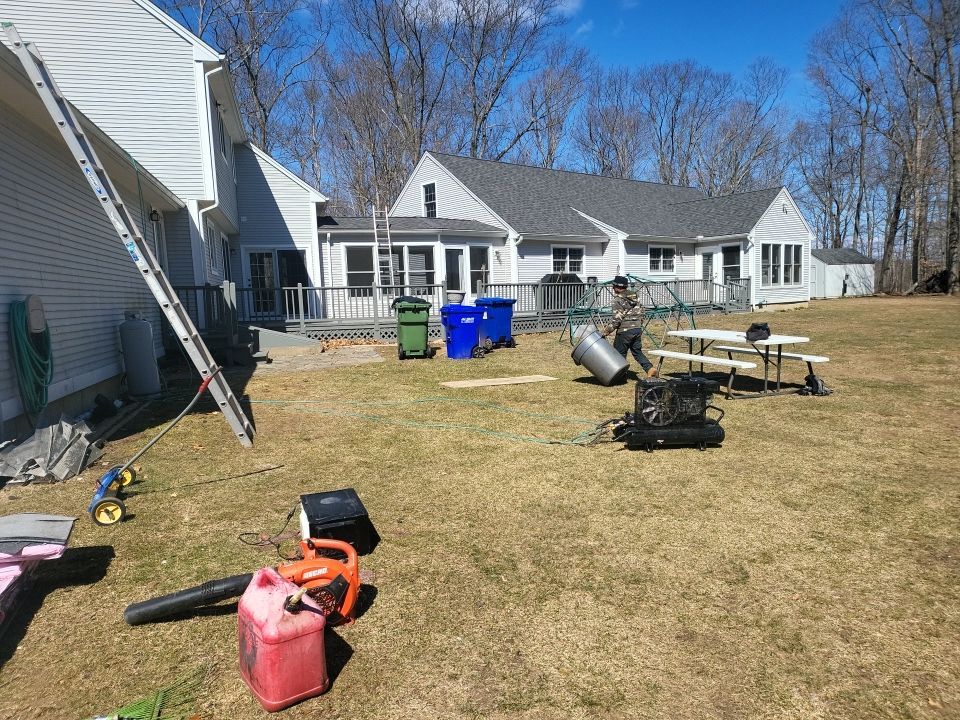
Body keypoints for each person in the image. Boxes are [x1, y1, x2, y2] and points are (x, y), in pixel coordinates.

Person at [601, 276, 658, 378]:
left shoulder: (618, 300)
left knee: (618, 354)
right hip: (637, 329)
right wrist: (638, 324)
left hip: (625, 331)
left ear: (618, 287)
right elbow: (642, 312)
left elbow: (616, 321)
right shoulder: (635, 296)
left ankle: (620, 376)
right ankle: (650, 368)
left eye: (614, 286)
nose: (613, 288)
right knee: (637, 352)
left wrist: (606, 331)